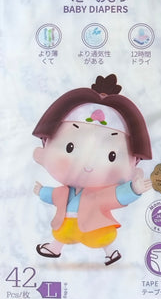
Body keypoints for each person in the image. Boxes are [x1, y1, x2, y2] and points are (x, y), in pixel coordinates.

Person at [32, 74, 152, 265]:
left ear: (134, 162)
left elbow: (117, 196)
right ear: (45, 145)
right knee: (61, 234)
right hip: (68, 225)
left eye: (111, 155)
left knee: (101, 238)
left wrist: (133, 189)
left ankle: (110, 252)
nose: (87, 163)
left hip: (94, 227)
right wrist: (42, 192)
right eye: (70, 147)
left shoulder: (101, 195)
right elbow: (55, 195)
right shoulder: (66, 192)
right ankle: (55, 248)